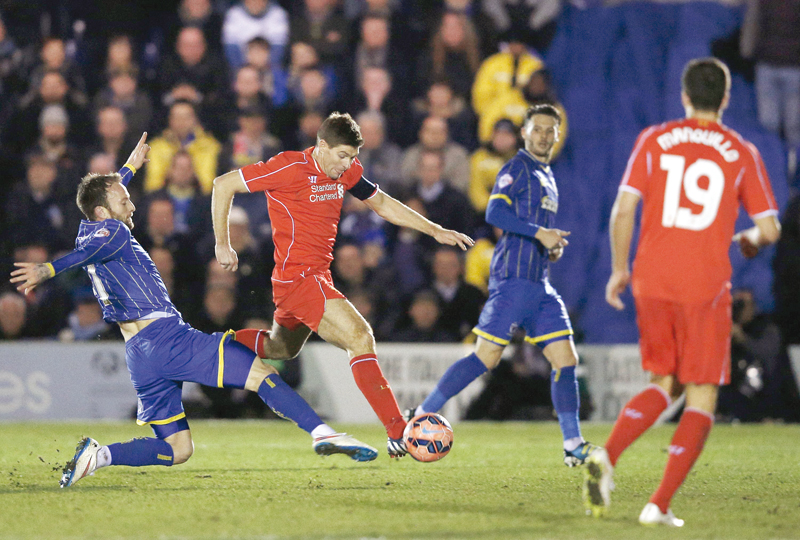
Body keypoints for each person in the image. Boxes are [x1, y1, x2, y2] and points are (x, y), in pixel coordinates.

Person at [10, 133, 380, 489]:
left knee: (178, 449)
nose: (133, 205)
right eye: (125, 201)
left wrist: (129, 169)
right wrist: (47, 270)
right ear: (104, 212)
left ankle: (100, 456)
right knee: (259, 373)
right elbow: (87, 249)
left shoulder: (88, 227)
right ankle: (322, 432)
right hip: (166, 337)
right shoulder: (113, 233)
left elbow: (99, 208)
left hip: (140, 354)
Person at [211, 111, 474, 457]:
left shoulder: (345, 171)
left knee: (280, 349)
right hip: (300, 278)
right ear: (321, 146)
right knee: (360, 336)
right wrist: (222, 243)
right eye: (342, 155)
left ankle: (213, 346)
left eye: (352, 156)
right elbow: (223, 184)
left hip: (312, 277)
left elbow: (380, 203)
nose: (347, 164)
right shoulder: (289, 167)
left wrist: (435, 229)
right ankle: (398, 430)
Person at [600, 58, 781, 526]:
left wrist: (620, 270)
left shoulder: (653, 139)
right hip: (703, 284)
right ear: (725, 98)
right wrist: (751, 240)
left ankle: (607, 458)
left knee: (665, 383)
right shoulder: (740, 151)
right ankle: (657, 504)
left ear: (683, 95)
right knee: (701, 393)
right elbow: (769, 228)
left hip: (651, 278)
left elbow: (623, 210)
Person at [408, 104, 607, 481]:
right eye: (538, 129)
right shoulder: (516, 168)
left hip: (540, 283)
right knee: (486, 357)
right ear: (525, 133)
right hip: (512, 279)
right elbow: (495, 215)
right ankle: (422, 412)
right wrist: (539, 234)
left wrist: (550, 245)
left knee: (565, 360)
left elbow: (533, 229)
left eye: (552, 130)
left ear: (558, 136)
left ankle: (572, 445)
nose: (545, 135)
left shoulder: (548, 176)